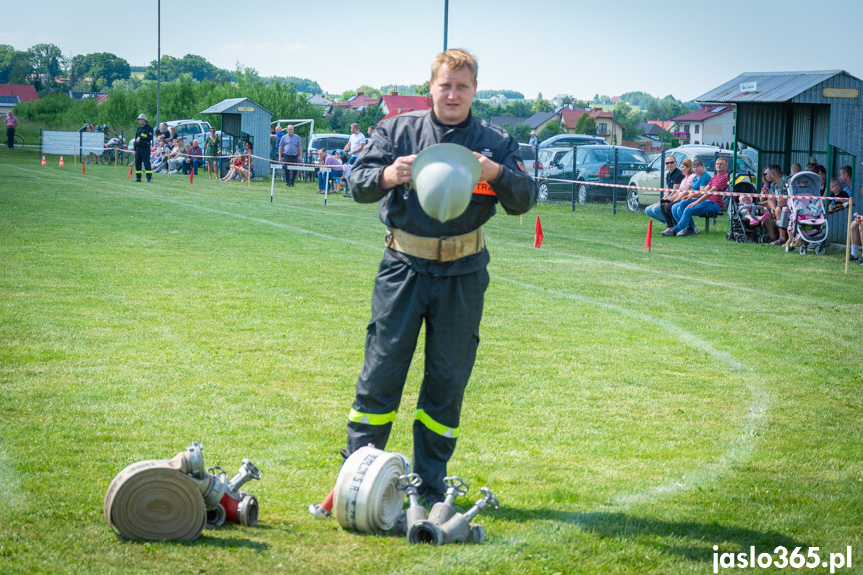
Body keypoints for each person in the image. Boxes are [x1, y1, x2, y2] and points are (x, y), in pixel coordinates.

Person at [341, 48, 535, 503]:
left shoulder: (495, 142)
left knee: (447, 380)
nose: (452, 94)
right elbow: (357, 183)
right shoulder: (397, 131)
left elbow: (525, 198)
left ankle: (428, 487)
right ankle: (358, 481)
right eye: (444, 85)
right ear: (430, 87)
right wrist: (389, 173)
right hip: (403, 267)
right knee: (382, 371)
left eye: (461, 86)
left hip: (463, 274)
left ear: (474, 91)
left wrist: (496, 172)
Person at [671, 156, 729, 237]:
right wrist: (690, 196)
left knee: (688, 209)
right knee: (684, 202)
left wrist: (697, 201)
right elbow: (704, 191)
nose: (719, 165)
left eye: (721, 164)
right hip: (706, 201)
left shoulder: (725, 177)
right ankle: (690, 228)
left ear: (726, 167)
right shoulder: (715, 177)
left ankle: (675, 231)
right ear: (715, 166)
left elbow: (710, 192)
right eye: (717, 164)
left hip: (714, 204)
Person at [644, 155, 682, 232]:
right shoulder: (668, 174)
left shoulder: (679, 174)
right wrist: (661, 201)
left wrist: (665, 201)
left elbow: (675, 191)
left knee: (656, 209)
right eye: (667, 163)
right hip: (669, 198)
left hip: (675, 199)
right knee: (648, 210)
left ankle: (673, 224)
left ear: (676, 163)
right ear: (665, 164)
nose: (669, 165)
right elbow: (668, 191)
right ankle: (670, 223)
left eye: (671, 162)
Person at [765, 165, 789, 246]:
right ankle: (772, 238)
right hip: (778, 206)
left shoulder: (786, 181)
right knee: (766, 210)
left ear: (773, 175)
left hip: (788, 207)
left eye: (767, 174)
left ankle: (782, 238)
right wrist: (773, 208)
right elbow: (770, 199)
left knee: (779, 210)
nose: (766, 176)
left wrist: (776, 208)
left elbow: (784, 199)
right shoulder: (773, 185)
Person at [134, 113, 154, 182]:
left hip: (145, 148)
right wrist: (134, 150)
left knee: (146, 163)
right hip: (138, 148)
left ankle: (148, 178)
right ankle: (138, 178)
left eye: (141, 119)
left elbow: (149, 137)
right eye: (139, 120)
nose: (140, 121)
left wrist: (141, 138)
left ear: (145, 120)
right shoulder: (139, 129)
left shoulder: (149, 128)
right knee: (137, 163)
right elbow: (135, 139)